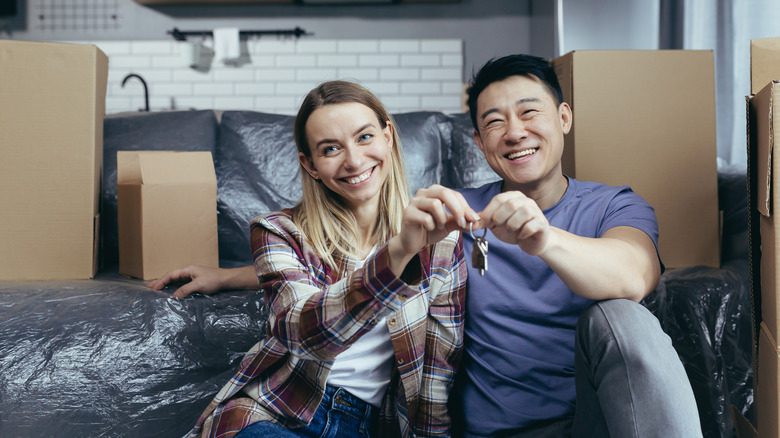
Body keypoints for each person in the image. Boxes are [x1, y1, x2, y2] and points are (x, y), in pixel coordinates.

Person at [150, 80, 476, 438]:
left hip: (367, 425)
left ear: (389, 137)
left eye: (365, 137)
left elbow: (436, 374)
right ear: (310, 164)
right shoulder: (277, 230)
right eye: (331, 148)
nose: (353, 160)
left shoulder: (442, 242)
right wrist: (397, 253)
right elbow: (306, 333)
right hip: (278, 413)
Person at [447, 54, 702, 437]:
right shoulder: (458, 215)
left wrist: (544, 238)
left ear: (564, 118)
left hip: (595, 425)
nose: (514, 133)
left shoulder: (614, 205)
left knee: (621, 314)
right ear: (481, 143)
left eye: (529, 112)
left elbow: (633, 274)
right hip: (493, 431)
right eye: (495, 122)